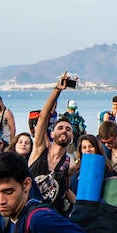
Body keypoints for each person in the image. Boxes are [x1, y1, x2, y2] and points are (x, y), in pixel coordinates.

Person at [31, 76, 77, 214]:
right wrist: (57, 91)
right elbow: (43, 117)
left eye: (68, 129)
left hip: (54, 217)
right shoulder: (39, 150)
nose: (64, 130)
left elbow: (65, 190)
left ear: (72, 137)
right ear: (52, 134)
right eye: (60, 127)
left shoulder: (70, 163)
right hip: (30, 215)